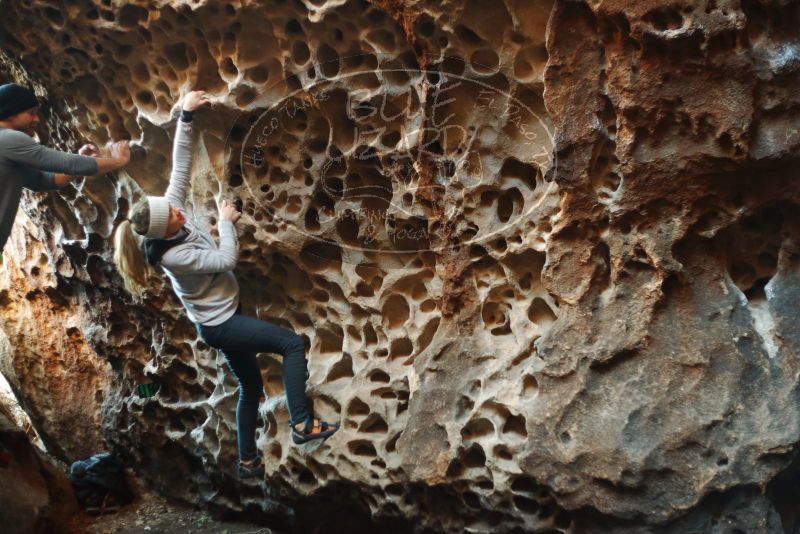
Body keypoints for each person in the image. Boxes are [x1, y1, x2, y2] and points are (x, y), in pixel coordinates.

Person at [112, 90, 339, 479]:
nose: (180, 213)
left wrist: (185, 116)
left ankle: (247, 461)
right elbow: (225, 260)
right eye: (173, 218)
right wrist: (226, 224)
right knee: (290, 345)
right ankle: (303, 425)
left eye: (174, 208)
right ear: (160, 234)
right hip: (221, 326)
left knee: (250, 387)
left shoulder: (169, 212)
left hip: (221, 320)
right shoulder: (173, 256)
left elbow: (180, 167)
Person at [0, 83, 130, 253]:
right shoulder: (7, 139)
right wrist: (119, 160)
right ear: (10, 113)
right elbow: (69, 163)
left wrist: (83, 161)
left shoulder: (8, 150)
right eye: (30, 113)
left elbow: (44, 180)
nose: (37, 119)